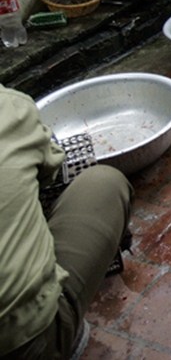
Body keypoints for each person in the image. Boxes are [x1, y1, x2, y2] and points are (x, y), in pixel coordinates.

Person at [0, 84, 133, 359]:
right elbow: (49, 168)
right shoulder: (9, 107)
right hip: (22, 344)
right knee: (104, 182)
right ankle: (61, 336)